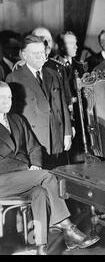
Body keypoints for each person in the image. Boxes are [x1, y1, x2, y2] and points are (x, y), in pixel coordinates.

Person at [0, 81, 99, 255]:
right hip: (3, 180)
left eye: (9, 97)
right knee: (47, 176)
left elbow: (35, 147)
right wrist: (27, 168)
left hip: (26, 177)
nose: (7, 101)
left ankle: (41, 248)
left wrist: (36, 164)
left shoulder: (17, 119)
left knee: (41, 193)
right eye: (2, 98)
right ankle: (68, 227)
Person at [6, 35, 72, 169]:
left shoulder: (53, 74)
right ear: (24, 55)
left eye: (42, 52)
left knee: (60, 177)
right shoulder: (14, 78)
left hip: (57, 137)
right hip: (34, 141)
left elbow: (62, 105)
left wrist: (67, 133)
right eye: (36, 54)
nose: (41, 57)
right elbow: (13, 117)